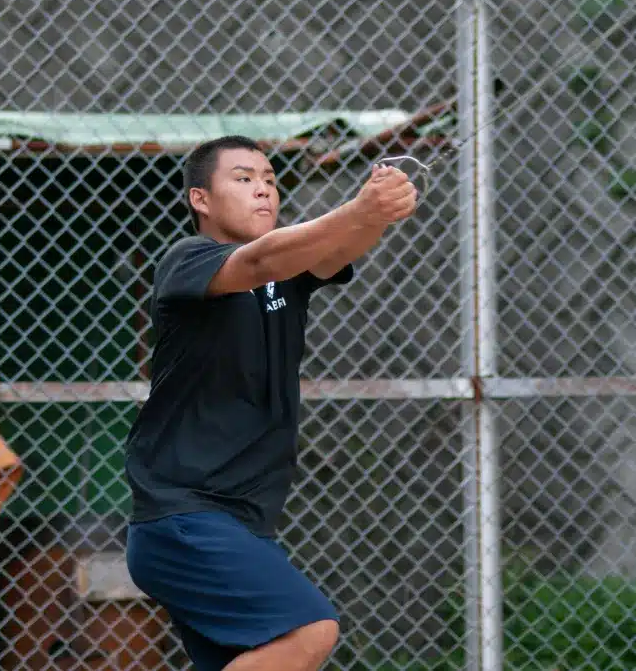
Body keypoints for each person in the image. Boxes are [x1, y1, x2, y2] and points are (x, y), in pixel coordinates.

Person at [124, 135, 417, 671]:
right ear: (200, 200)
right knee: (310, 631)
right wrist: (358, 209)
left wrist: (376, 212)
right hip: (184, 516)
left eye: (269, 180)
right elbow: (260, 261)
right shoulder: (188, 261)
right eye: (243, 179)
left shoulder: (289, 271)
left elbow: (336, 250)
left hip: (243, 522)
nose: (263, 189)